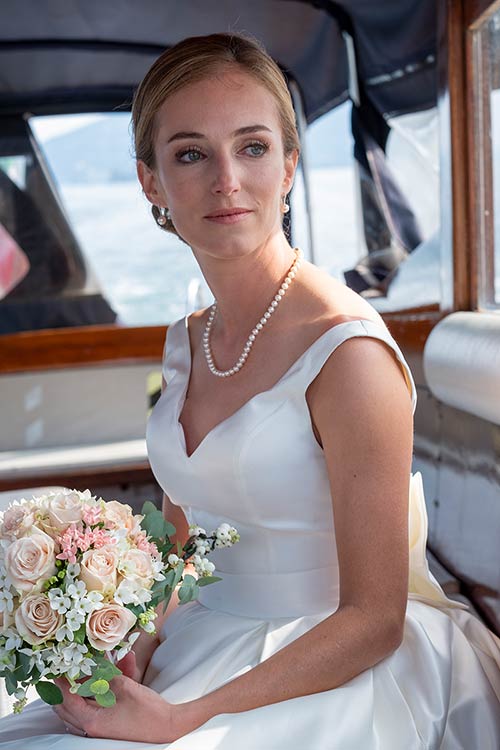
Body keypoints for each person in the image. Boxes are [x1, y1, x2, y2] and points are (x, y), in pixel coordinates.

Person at [1, 32, 500, 750]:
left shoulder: (346, 353)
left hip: (333, 666)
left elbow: (373, 619)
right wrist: (138, 638)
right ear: (152, 182)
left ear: (291, 165)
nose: (226, 180)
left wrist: (182, 718)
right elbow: (184, 543)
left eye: (254, 147)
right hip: (206, 637)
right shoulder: (187, 341)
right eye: (191, 153)